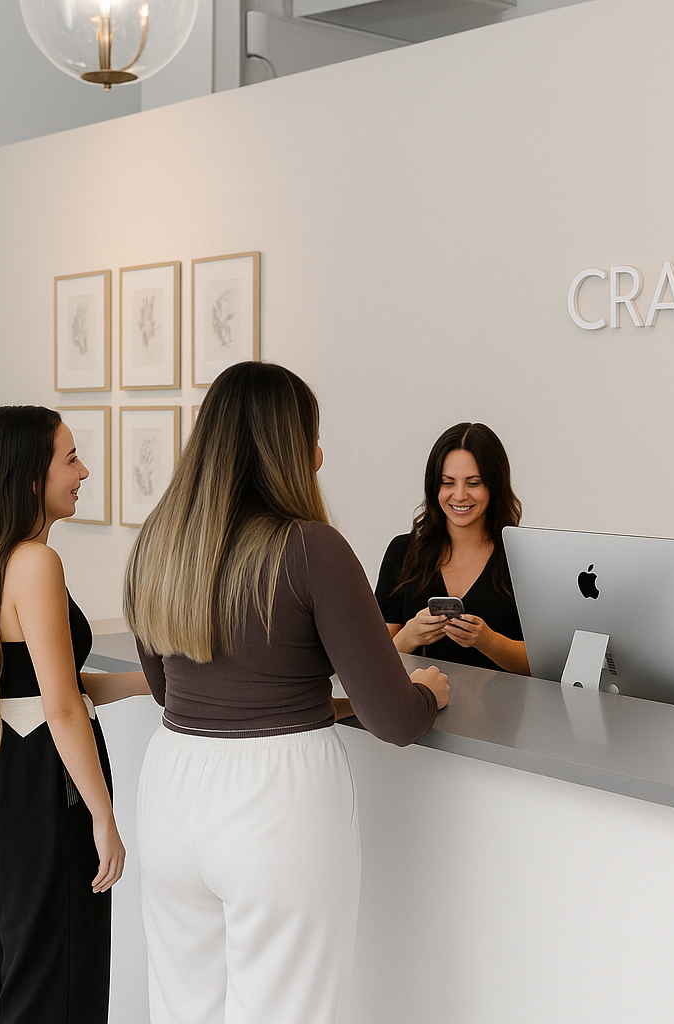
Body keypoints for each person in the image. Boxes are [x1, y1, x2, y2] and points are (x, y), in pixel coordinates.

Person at [122, 361, 449, 1024]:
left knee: (182, 1007)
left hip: (172, 789)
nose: (321, 453)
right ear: (286, 448)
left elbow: (167, 689)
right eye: (312, 436)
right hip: (279, 802)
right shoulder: (312, 548)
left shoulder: (158, 542)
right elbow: (393, 718)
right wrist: (431, 692)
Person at [0, 406, 149, 1024]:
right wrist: (103, 814)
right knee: (58, 979)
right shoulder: (35, 562)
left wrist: (150, 683)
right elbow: (60, 708)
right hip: (43, 786)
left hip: (0, 773)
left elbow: (38, 685)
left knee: (11, 970)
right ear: (31, 475)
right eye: (70, 458)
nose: (83, 471)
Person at [375, 422, 529, 675]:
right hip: (419, 709)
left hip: (504, 710)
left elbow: (542, 667)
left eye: (473, 483)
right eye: (448, 483)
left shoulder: (523, 559)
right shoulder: (402, 552)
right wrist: (410, 636)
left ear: (494, 486)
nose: (459, 495)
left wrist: (488, 641)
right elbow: (372, 661)